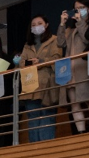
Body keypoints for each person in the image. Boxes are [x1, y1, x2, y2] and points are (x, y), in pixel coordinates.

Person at [57, 0, 89, 134]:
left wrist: (80, 22)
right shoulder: (70, 29)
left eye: (82, 8)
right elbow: (60, 43)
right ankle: (81, 133)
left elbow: (87, 40)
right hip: (70, 71)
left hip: (84, 69)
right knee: (74, 103)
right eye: (76, 9)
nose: (79, 11)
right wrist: (62, 24)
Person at [19, 14, 63, 143]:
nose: (36, 26)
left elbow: (57, 58)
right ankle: (35, 149)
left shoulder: (54, 40)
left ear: (46, 25)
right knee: (32, 118)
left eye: (39, 23)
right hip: (30, 85)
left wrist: (41, 61)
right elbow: (21, 62)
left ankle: (47, 148)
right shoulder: (27, 45)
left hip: (47, 84)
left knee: (47, 117)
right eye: (33, 25)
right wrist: (30, 63)